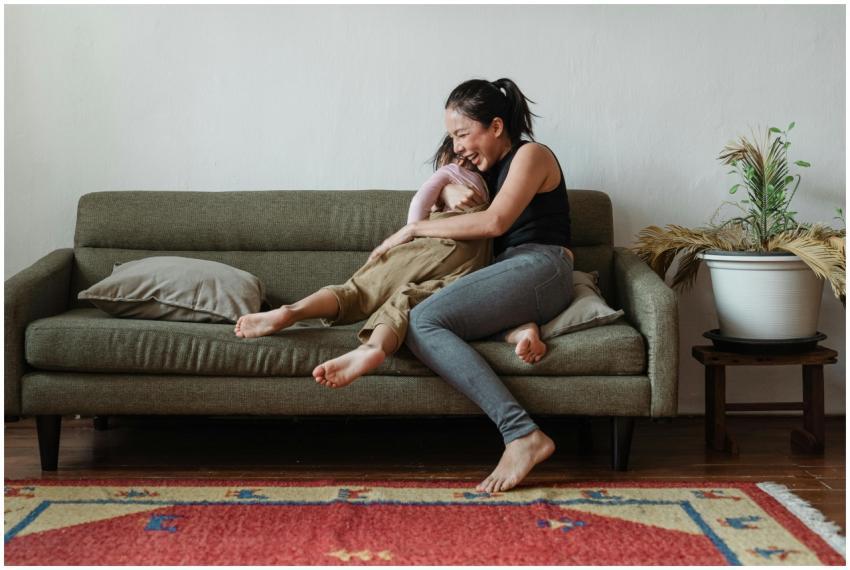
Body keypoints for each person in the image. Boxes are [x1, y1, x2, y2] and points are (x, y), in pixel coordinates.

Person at [368, 78, 575, 494]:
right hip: (504, 272)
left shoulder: (531, 155)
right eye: (452, 137)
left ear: (496, 126)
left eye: (463, 134)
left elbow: (495, 222)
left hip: (542, 265)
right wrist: (447, 190)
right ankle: (517, 328)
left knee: (422, 321)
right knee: (426, 312)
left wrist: (412, 230)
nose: (457, 145)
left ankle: (522, 434)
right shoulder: (481, 170)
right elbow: (449, 188)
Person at [233, 137, 548, 389]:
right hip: (473, 263)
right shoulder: (494, 186)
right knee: (408, 300)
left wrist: (413, 230)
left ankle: (292, 311)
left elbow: (420, 201)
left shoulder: (450, 173)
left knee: (359, 290)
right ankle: (373, 348)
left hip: (438, 244)